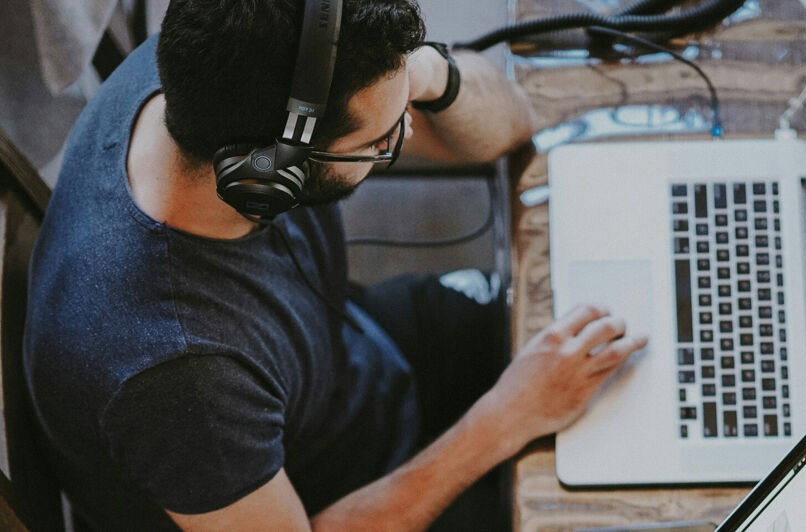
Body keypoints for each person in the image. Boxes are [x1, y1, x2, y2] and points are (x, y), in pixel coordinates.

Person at [22, 1, 648, 530]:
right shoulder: (179, 378)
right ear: (267, 176)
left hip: (351, 362)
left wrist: (416, 73)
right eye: (380, 142)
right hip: (337, 498)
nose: (401, 136)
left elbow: (509, 124)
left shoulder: (214, 64)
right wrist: (506, 418)